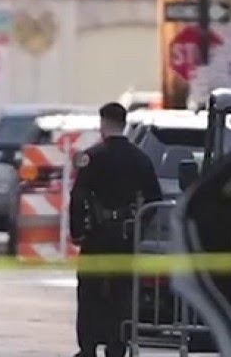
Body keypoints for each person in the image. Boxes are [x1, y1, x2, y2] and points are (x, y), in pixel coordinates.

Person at [69, 102, 162, 357]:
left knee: (90, 290)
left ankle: (88, 346)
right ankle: (117, 345)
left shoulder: (93, 156)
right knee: (122, 292)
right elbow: (155, 198)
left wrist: (77, 231)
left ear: (103, 123)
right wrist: (140, 228)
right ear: (124, 123)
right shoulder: (140, 158)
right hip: (126, 235)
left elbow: (78, 196)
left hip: (97, 235)